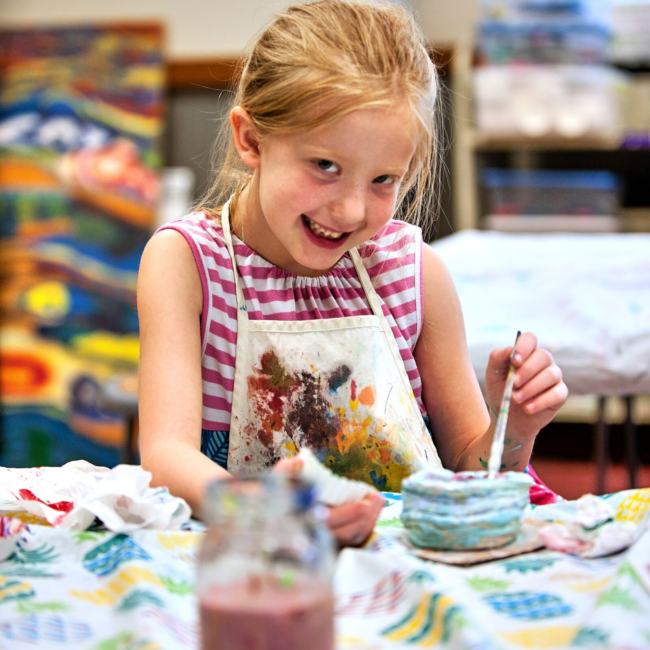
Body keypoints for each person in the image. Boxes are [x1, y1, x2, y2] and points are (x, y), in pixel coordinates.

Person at [137, 0, 568, 546]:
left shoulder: (414, 273)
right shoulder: (187, 264)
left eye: (384, 179)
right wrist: (270, 512)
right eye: (325, 167)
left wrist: (514, 425)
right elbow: (166, 457)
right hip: (259, 567)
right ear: (251, 140)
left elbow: (471, 474)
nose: (350, 212)